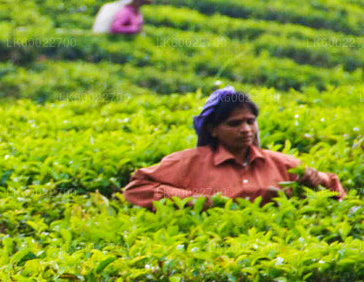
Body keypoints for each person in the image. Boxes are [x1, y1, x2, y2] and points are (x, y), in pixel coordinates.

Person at [122, 86, 346, 210]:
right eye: (234, 124)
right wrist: (191, 199)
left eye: (250, 121)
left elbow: (336, 194)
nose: (246, 129)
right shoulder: (188, 162)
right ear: (213, 130)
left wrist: (319, 181)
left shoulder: (282, 163)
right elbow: (136, 188)